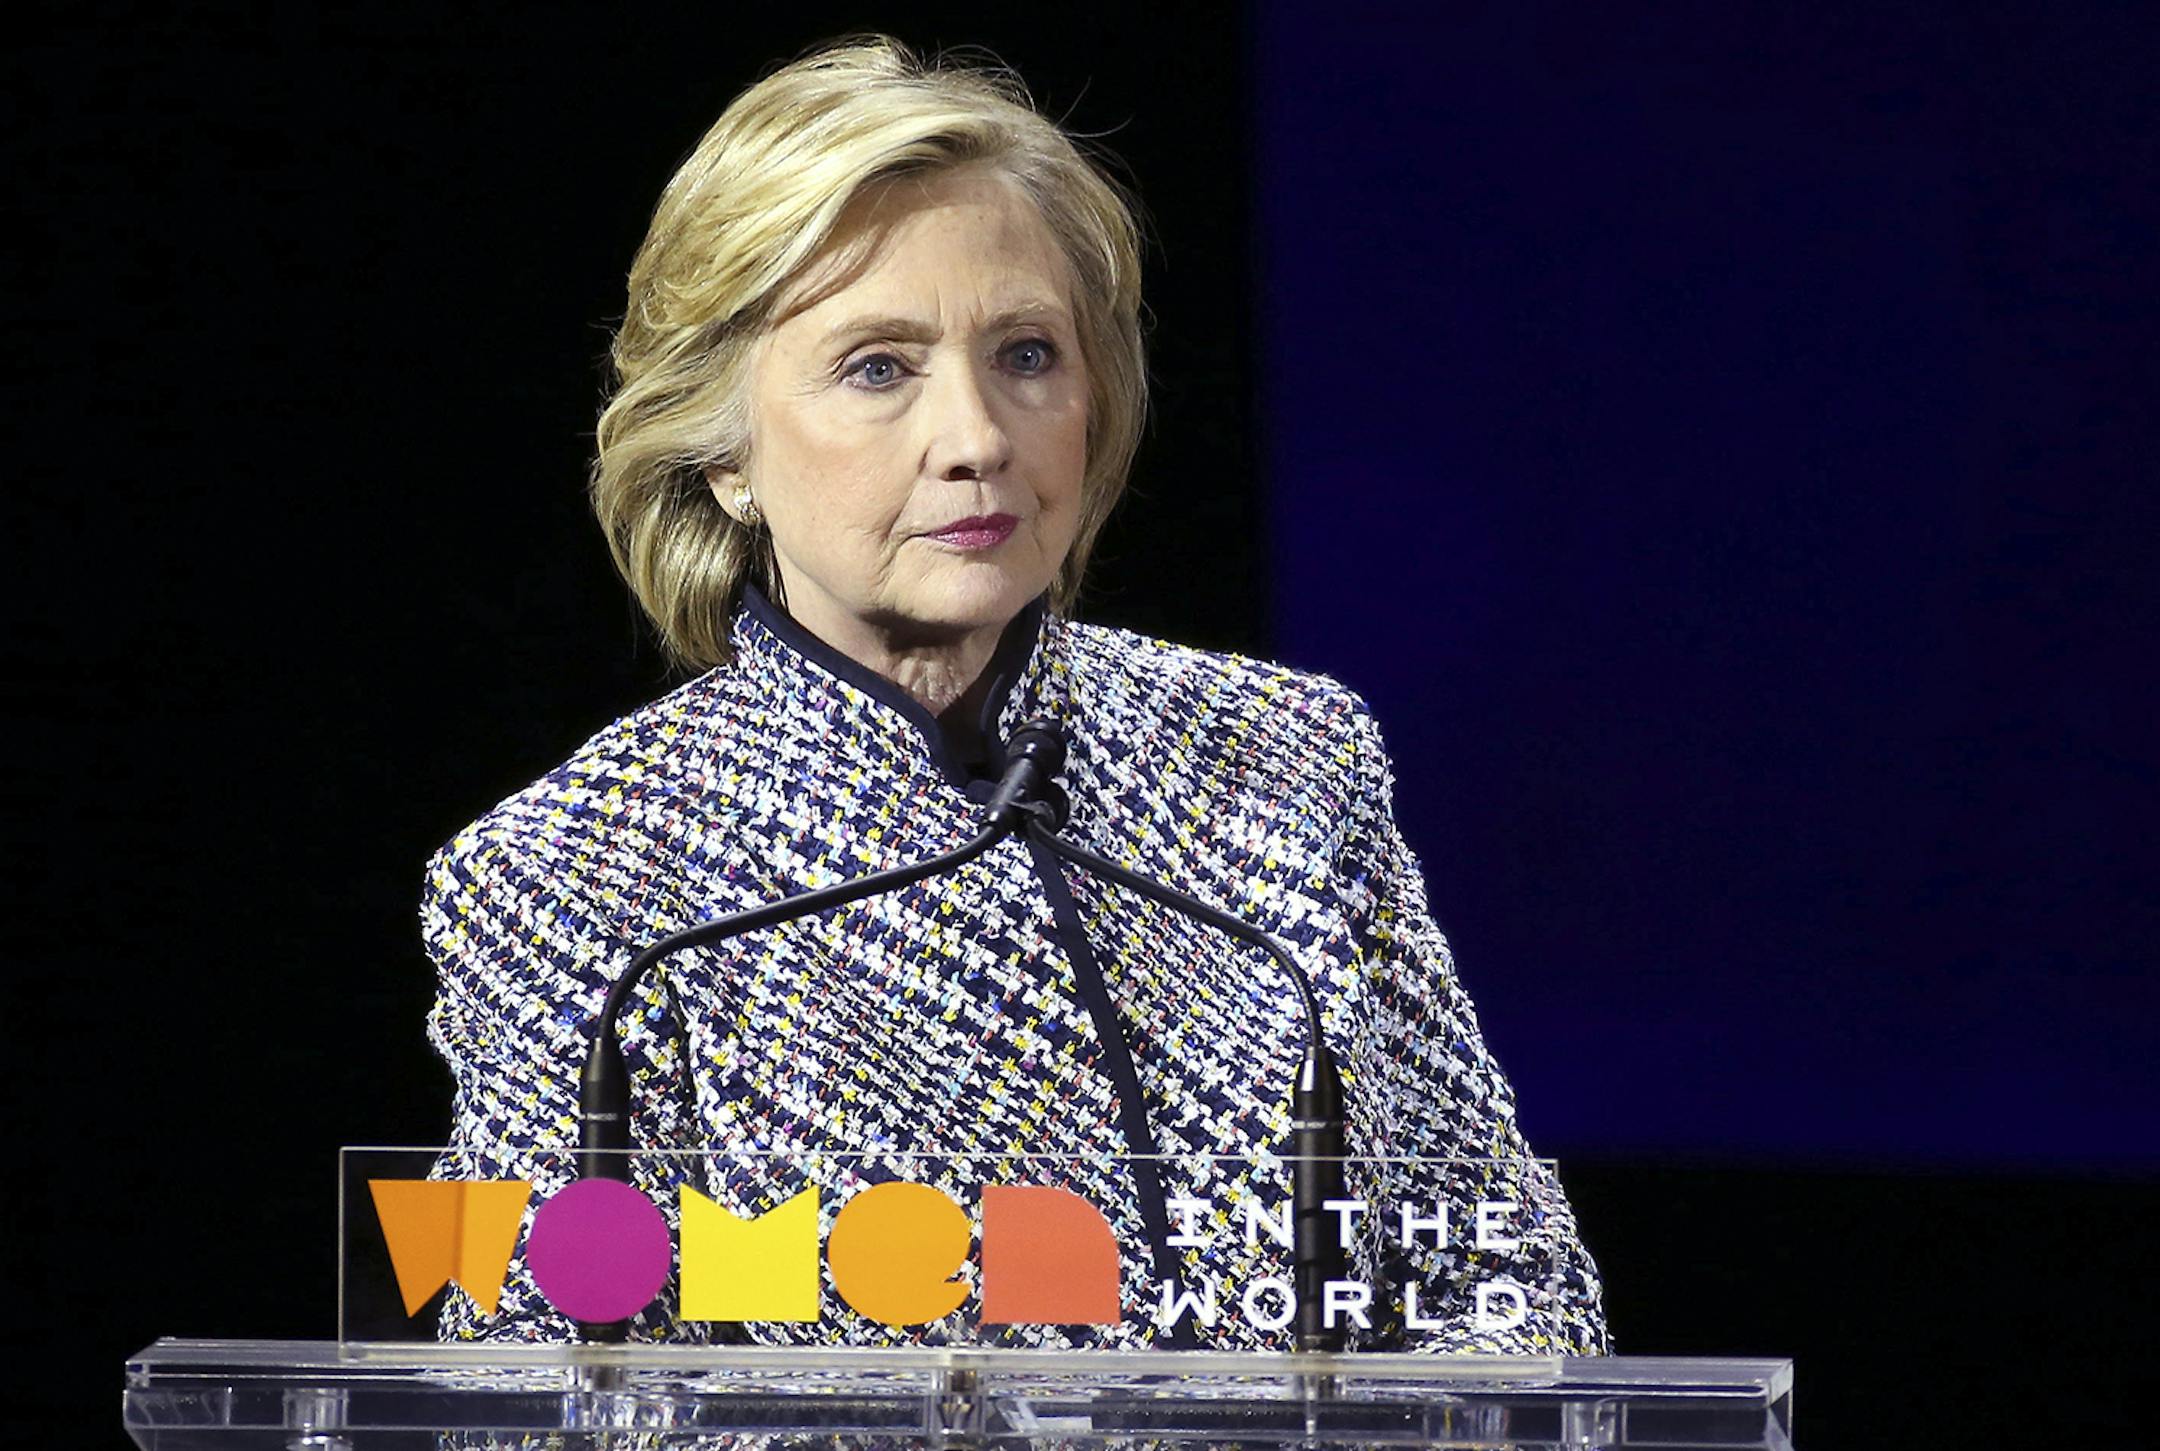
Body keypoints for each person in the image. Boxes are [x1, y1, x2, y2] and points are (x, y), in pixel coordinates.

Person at [421, 35, 1607, 1355]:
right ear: (724, 453)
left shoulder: (1281, 762)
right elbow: (539, 1398)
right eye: (879, 368)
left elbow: (1503, 1279)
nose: (978, 437)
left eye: (1028, 356)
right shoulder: (579, 876)